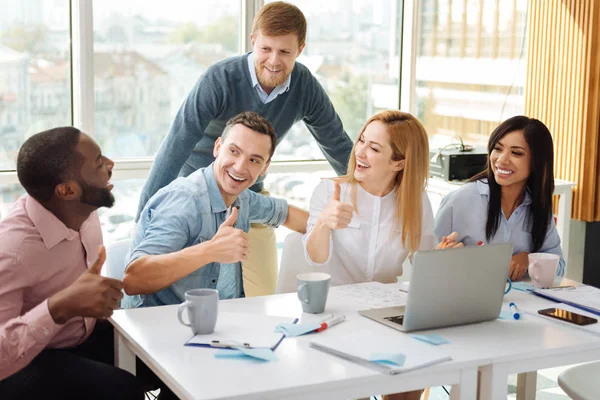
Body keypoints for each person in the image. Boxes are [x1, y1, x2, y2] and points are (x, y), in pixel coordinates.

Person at [134, 1, 353, 297]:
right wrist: (144, 216)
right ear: (253, 42)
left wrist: (370, 195)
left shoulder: (305, 87)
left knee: (259, 295)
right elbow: (176, 143)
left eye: (285, 52)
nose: (274, 61)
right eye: (266, 49)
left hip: (246, 194)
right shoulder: (219, 80)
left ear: (300, 50)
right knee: (191, 287)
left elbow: (338, 145)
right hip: (197, 191)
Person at [302, 110, 460, 400]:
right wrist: (324, 222)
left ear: (399, 162)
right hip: (339, 314)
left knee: (412, 379)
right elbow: (315, 257)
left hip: (389, 313)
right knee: (355, 387)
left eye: (374, 148)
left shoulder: (415, 200)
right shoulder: (330, 191)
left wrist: (440, 257)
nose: (360, 151)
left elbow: (423, 262)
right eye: (361, 141)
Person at [0, 127, 145, 399]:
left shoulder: (83, 210)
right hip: (25, 360)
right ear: (67, 190)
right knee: (123, 390)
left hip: (81, 334)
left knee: (166, 359)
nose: (111, 166)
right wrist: (58, 308)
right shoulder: (13, 250)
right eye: (100, 163)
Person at [123, 112, 308, 307]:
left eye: (254, 160)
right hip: (157, 325)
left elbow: (285, 213)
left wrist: (330, 225)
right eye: (234, 151)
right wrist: (210, 250)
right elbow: (133, 280)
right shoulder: (185, 202)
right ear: (218, 147)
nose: (239, 167)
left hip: (215, 319)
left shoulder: (242, 197)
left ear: (264, 168)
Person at [434, 116, 565, 281]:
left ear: (536, 162)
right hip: (463, 301)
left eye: (516, 153)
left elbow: (560, 267)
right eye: (498, 148)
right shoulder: (461, 200)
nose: (502, 159)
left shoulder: (538, 206)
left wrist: (529, 259)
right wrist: (441, 254)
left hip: (521, 303)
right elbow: (424, 263)